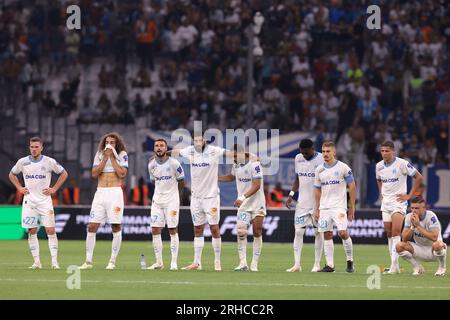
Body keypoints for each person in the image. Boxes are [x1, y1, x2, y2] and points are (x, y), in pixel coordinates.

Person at [169, 133, 253, 271]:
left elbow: (231, 154)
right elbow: (175, 152)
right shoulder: (189, 151)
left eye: (199, 140)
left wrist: (251, 156)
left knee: (214, 228)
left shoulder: (214, 151)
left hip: (211, 197)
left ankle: (217, 262)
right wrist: (160, 155)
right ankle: (196, 262)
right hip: (196, 198)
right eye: (195, 140)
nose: (197, 142)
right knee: (197, 229)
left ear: (204, 140)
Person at [8, 136, 68, 269]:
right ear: (29, 147)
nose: (34, 149)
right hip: (29, 201)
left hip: (45, 201)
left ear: (41, 148)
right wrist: (19, 187)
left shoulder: (49, 161)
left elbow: (64, 174)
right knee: (32, 230)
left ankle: (54, 262)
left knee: (50, 230)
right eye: (32, 147)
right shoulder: (23, 162)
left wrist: (54, 189)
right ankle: (37, 262)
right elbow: (12, 174)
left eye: (36, 147)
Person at [79, 132, 128, 270]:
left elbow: (122, 173)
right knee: (92, 226)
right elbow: (94, 173)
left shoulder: (122, 154)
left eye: (112, 142)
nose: (109, 145)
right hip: (100, 192)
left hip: (115, 192)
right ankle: (88, 261)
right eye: (107, 142)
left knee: (115, 226)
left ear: (116, 144)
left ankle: (112, 261)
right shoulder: (100, 154)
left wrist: (112, 157)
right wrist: (105, 158)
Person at [376, 140, 423, 274]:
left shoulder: (402, 164)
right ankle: (394, 265)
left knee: (396, 232)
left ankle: (393, 267)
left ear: (393, 151)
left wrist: (409, 195)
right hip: (386, 203)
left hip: (398, 203)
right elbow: (379, 180)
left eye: (387, 151)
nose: (384, 153)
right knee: (389, 233)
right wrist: (382, 193)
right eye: (382, 151)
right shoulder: (379, 166)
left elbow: (419, 177)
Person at [218, 145, 266, 272]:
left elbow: (256, 185)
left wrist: (242, 197)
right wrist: (216, 178)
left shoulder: (255, 164)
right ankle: (243, 263)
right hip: (244, 206)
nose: (233, 158)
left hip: (257, 204)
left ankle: (254, 264)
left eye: (235, 156)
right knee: (241, 232)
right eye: (232, 156)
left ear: (242, 153)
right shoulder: (236, 165)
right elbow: (231, 177)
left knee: (257, 231)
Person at [313, 141, 356, 273]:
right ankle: (330, 265)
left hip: (339, 207)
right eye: (323, 151)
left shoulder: (343, 168)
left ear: (334, 152)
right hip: (324, 208)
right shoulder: (319, 170)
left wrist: (352, 207)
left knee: (343, 233)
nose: (325, 154)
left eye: (328, 151)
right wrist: (316, 208)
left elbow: (352, 186)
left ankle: (350, 260)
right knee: (327, 234)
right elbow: (317, 190)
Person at [286, 139, 324, 272]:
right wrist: (291, 194)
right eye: (303, 153)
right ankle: (297, 264)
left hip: (317, 204)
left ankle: (317, 264)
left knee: (318, 232)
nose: (305, 156)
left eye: (307, 153)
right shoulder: (298, 158)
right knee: (298, 231)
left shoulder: (321, 159)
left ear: (313, 148)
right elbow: (298, 178)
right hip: (302, 202)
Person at [147, 139, 185, 270]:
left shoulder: (174, 163)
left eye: (161, 146)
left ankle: (173, 262)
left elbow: (182, 182)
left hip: (172, 201)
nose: (159, 148)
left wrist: (174, 195)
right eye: (156, 145)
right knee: (155, 230)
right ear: (154, 148)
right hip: (157, 201)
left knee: (172, 229)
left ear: (166, 148)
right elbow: (154, 181)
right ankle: (159, 262)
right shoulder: (151, 165)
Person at [396, 196, 446, 276]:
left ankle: (442, 267)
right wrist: (412, 227)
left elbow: (434, 237)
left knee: (437, 244)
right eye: (412, 208)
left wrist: (418, 225)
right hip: (419, 249)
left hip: (434, 250)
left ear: (423, 208)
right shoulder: (409, 217)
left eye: (417, 208)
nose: (414, 211)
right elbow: (404, 239)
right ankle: (417, 267)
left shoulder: (431, 216)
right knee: (399, 245)